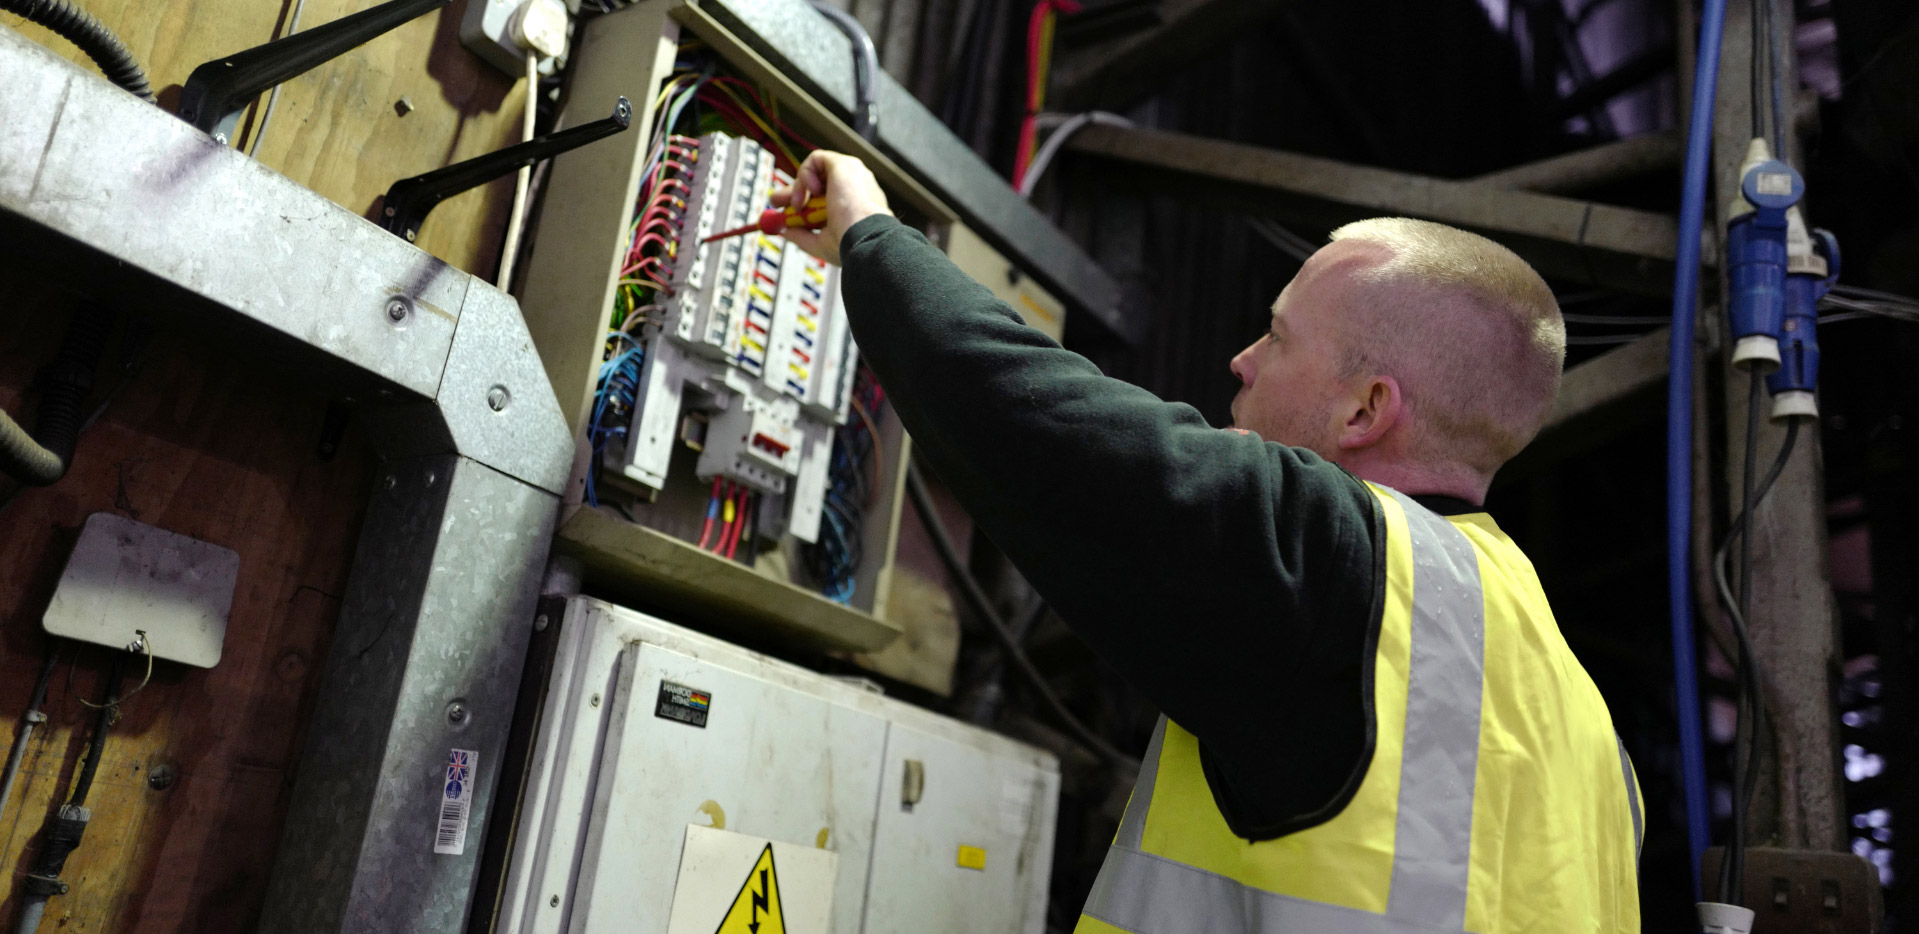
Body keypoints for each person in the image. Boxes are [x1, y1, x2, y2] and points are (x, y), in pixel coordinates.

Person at [775, 151, 1642, 933]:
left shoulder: (1340, 561)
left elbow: (1024, 414)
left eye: (1278, 335)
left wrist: (867, 231)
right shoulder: (1587, 735)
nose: (1241, 359)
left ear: (1365, 410)